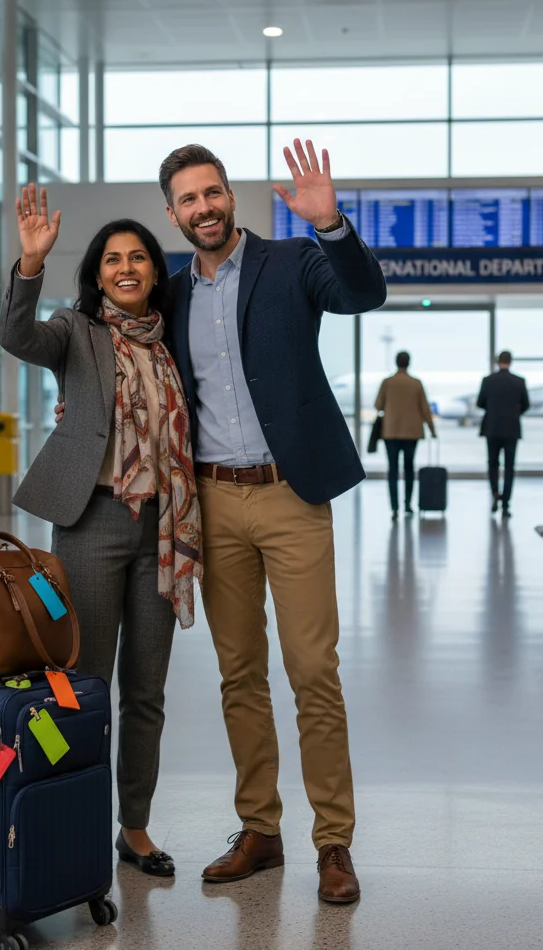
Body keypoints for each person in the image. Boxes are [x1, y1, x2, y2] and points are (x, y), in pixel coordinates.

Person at [162, 140, 385, 903]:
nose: (205, 207)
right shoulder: (168, 288)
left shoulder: (290, 261)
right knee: (239, 673)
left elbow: (364, 295)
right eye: (189, 199)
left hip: (292, 493)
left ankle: (334, 841)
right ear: (174, 213)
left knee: (314, 672)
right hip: (214, 498)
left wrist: (331, 224)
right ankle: (259, 827)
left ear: (231, 196)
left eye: (213, 192)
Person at [0, 185, 201, 879]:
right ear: (96, 274)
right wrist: (30, 265)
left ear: (154, 269)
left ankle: (134, 828)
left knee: (146, 691)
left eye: (138, 257)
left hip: (165, 529)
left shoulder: (174, 338)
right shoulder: (74, 332)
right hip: (93, 520)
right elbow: (17, 337)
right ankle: (70, 815)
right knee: (80, 684)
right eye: (113, 258)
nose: (126, 267)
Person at [374, 351, 436, 520]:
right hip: (411, 433)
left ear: (396, 362)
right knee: (409, 468)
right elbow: (425, 408)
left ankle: (394, 508)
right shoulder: (416, 383)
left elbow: (378, 405)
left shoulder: (387, 382)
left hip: (391, 432)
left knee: (392, 469)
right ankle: (408, 504)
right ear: (409, 363)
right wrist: (432, 429)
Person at [477, 350, 530, 517]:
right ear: (511, 361)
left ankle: (494, 495)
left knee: (492, 464)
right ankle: (506, 504)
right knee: (509, 467)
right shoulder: (519, 382)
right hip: (511, 429)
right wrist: (514, 413)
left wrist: (493, 411)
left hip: (492, 428)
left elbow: (480, 403)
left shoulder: (488, 381)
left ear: (497, 362)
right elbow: (526, 404)